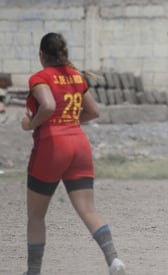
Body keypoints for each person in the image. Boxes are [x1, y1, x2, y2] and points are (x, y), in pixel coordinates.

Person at [21, 32, 126, 275]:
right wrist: (68, 120)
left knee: (36, 216)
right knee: (88, 210)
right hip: (79, 144)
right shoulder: (76, 78)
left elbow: (47, 106)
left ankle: (33, 272)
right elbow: (93, 112)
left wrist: (31, 124)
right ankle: (114, 260)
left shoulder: (40, 77)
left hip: (52, 147)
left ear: (41, 55)